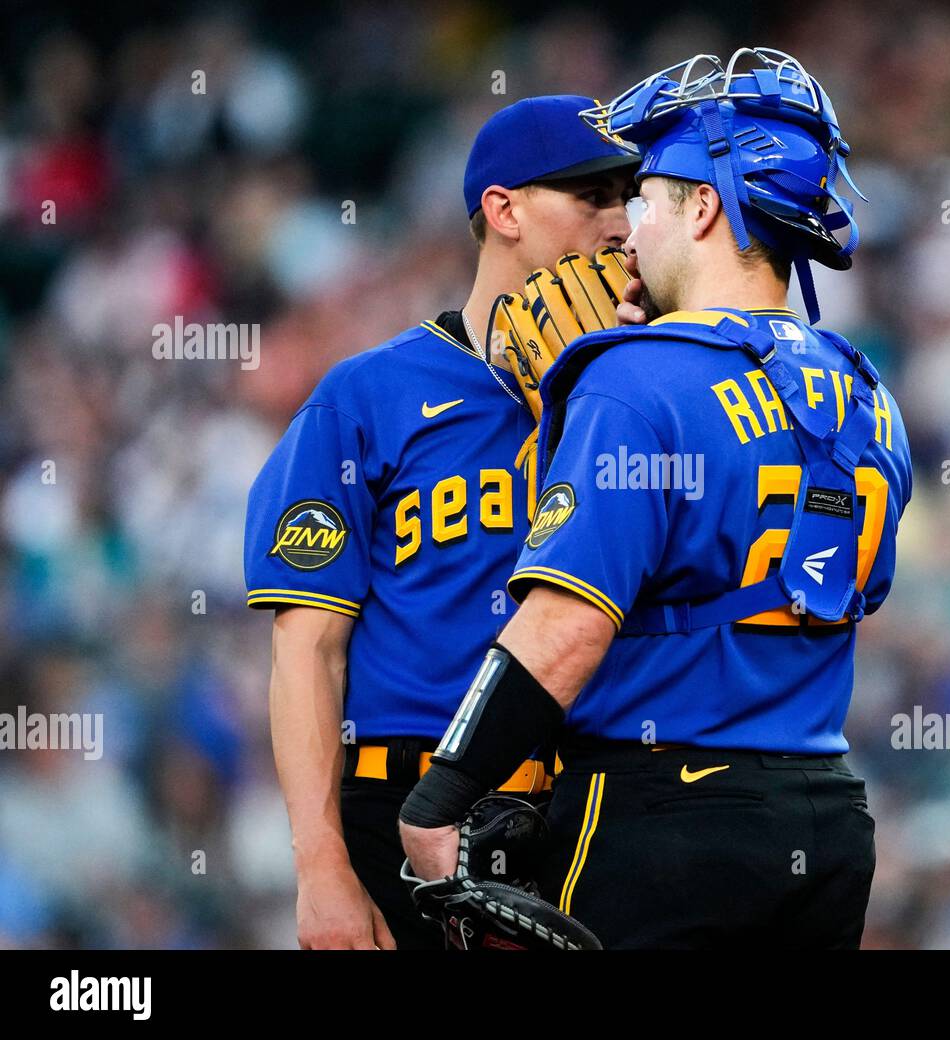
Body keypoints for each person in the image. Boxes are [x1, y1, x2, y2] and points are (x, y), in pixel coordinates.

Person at [397, 48, 913, 949]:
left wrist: (439, 800)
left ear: (705, 205)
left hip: (663, 816)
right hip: (827, 818)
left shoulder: (635, 380)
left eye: (648, 202)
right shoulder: (869, 392)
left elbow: (565, 628)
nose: (628, 235)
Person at [243, 95, 636, 950]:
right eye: (592, 196)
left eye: (629, 198)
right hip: (400, 803)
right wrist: (321, 867)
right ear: (504, 210)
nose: (620, 222)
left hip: (592, 808)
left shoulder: (644, 398)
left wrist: (592, 403)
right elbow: (308, 648)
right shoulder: (367, 396)